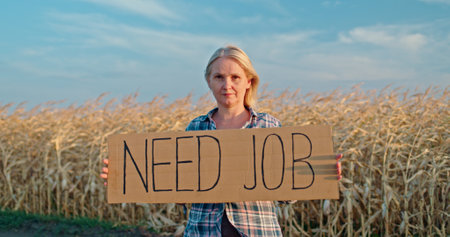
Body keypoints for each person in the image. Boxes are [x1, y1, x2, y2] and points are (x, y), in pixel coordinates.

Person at [101, 45, 342, 236]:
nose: (227, 85)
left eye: (235, 77)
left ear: (249, 81)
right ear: (209, 81)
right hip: (202, 232)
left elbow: (285, 194)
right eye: (219, 77)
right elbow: (181, 192)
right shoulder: (195, 128)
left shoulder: (268, 126)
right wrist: (124, 175)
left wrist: (318, 172)